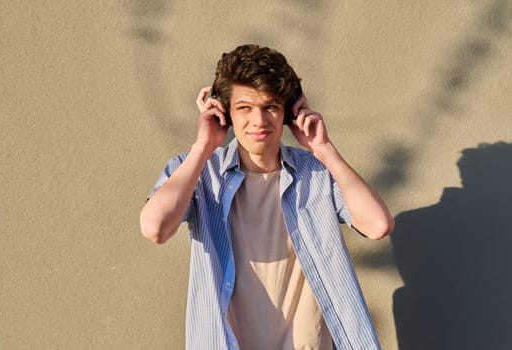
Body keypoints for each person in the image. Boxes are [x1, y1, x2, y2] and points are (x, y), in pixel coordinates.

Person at [140, 44, 394, 350]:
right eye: (245, 108)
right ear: (225, 112)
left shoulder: (314, 173)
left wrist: (324, 149)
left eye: (270, 106)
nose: (259, 120)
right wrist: (202, 148)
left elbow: (378, 225)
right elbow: (155, 227)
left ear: (288, 111)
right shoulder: (198, 172)